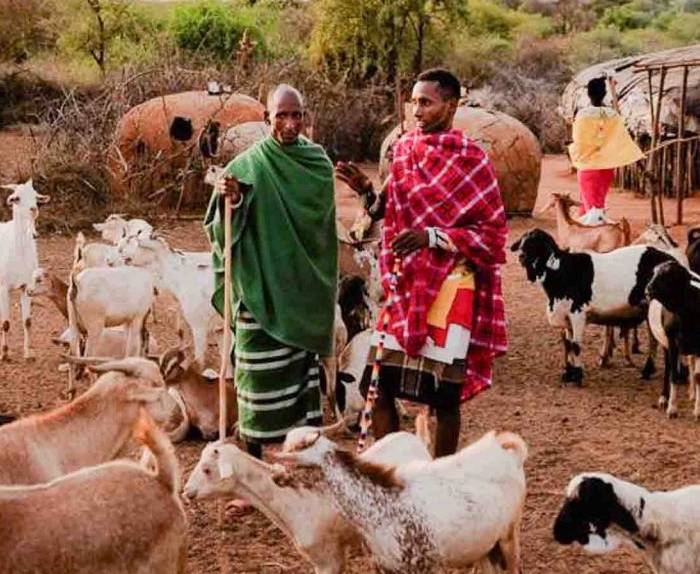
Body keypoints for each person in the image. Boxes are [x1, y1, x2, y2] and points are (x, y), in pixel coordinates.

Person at [335, 68, 507, 457]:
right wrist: (367, 192)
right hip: (407, 283)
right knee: (377, 387)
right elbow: (392, 209)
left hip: (452, 286)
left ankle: (441, 477)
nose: (417, 110)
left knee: (443, 396)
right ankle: (392, 471)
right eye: (413, 101)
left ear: (451, 105)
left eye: (426, 102)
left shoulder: (472, 160)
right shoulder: (405, 150)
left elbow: (493, 234)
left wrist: (432, 236)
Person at [208, 84, 338, 454]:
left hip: (301, 290)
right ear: (267, 119)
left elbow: (320, 232)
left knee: (299, 385)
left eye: (297, 114)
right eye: (281, 115)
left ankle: (298, 467)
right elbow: (221, 230)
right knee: (253, 384)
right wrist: (232, 201)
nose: (290, 123)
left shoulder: (317, 164)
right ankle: (253, 475)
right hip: (258, 290)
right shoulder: (246, 166)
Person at [569, 75, 642, 225]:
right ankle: (585, 234)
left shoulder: (582, 115)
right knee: (594, 202)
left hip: (588, 166)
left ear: (588, 94)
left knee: (592, 210)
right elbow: (622, 141)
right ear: (605, 94)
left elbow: (579, 141)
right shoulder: (613, 115)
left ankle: (597, 239)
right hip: (606, 167)